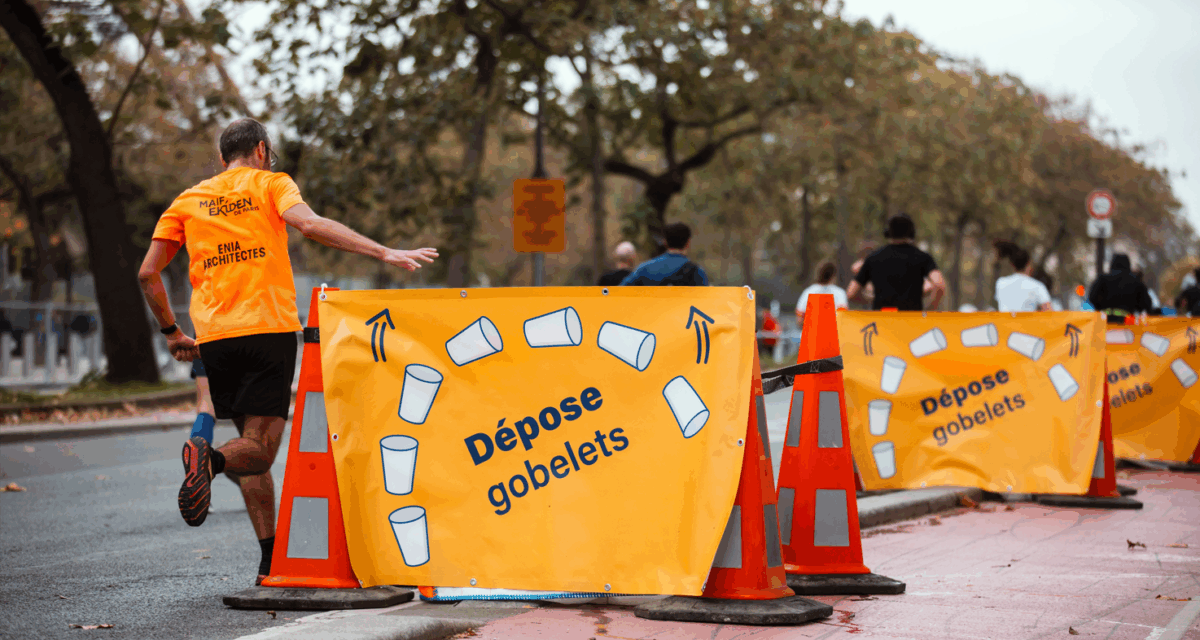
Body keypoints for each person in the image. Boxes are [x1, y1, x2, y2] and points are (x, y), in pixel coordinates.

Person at [137, 118, 437, 584]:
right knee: (258, 449)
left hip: (213, 337)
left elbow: (147, 274)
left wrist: (172, 332)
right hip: (267, 330)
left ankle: (268, 560)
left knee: (249, 444)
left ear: (222, 159)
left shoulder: (187, 200)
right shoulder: (271, 183)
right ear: (261, 149)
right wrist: (382, 252)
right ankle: (209, 461)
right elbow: (310, 224)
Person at [846, 214, 946, 311]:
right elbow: (939, 285)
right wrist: (930, 309)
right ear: (912, 233)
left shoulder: (873, 258)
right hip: (912, 322)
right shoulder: (923, 257)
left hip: (881, 321)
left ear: (887, 233)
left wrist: (871, 299)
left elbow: (851, 293)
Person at [620, 223, 708, 286]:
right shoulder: (696, 272)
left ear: (664, 242)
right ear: (688, 243)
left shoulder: (644, 269)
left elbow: (620, 292)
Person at [1087, 253, 1153, 318]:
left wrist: (1100, 307)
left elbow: (1092, 297)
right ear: (1128, 264)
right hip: (1128, 323)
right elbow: (1146, 304)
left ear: (1112, 263)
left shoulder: (1102, 279)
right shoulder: (1136, 282)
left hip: (1105, 321)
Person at [993, 241, 1052, 312]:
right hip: (1027, 323)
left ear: (1013, 266)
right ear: (1028, 265)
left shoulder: (1000, 283)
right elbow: (1049, 313)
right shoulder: (1037, 286)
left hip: (1004, 323)